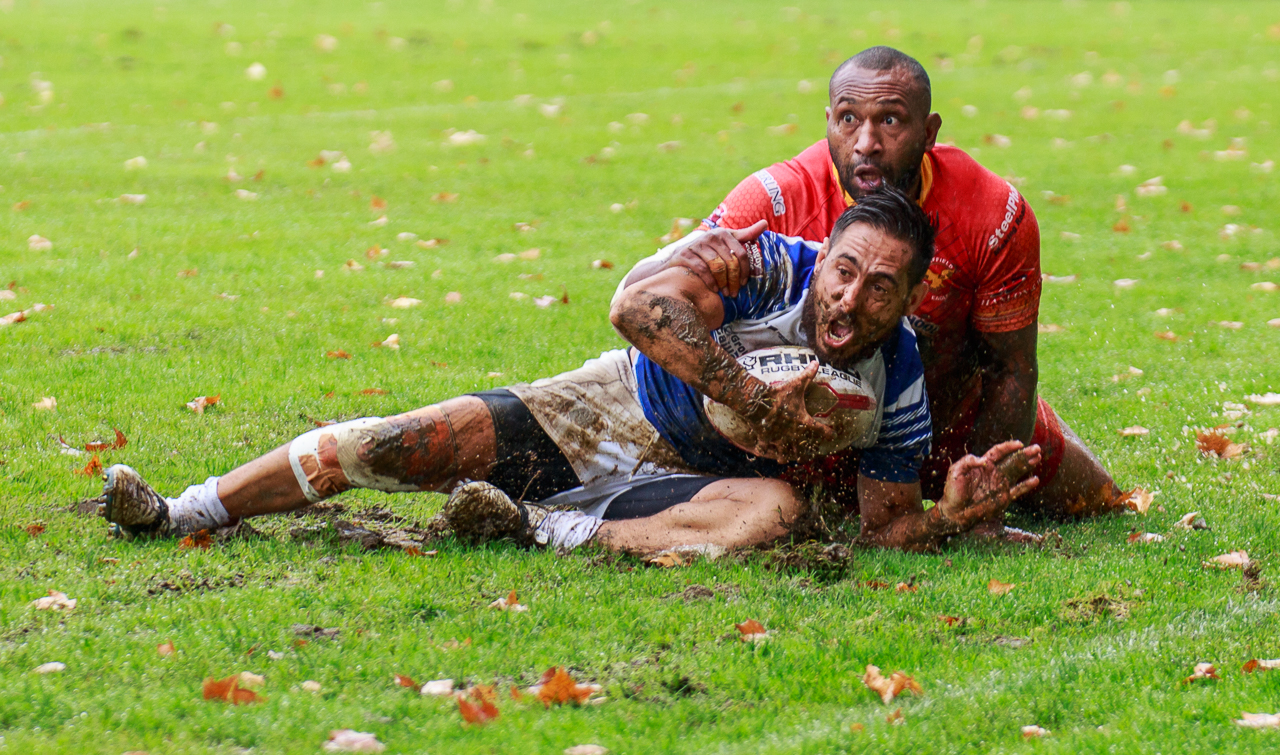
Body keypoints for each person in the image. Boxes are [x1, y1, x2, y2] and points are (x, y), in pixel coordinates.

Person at [98, 191, 1040, 555]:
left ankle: (546, 529)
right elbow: (634, 308)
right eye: (846, 270)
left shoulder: (901, 378)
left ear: (911, 296)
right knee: (398, 443)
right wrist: (753, 396)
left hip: (699, 485)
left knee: (775, 517)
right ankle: (190, 509)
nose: (852, 300)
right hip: (609, 408)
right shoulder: (766, 262)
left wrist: (947, 513)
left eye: (883, 289)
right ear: (821, 253)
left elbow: (883, 527)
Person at [619, 46, 1124, 535]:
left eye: (889, 121)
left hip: (952, 423)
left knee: (1106, 505)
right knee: (787, 517)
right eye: (847, 119)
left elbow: (1012, 367)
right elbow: (643, 300)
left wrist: (988, 504)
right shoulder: (773, 199)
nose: (865, 143)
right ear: (828, 122)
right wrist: (696, 256)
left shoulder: (991, 214)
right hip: (806, 430)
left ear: (928, 133)